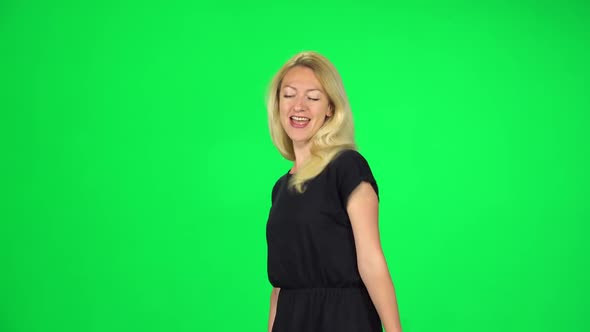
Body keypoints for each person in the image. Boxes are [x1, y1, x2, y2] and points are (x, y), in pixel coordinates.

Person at [265, 51, 403, 332]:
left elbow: (371, 260)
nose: (299, 106)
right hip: (292, 320)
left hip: (343, 319)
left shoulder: (348, 167)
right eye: (289, 95)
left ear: (330, 108)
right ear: (277, 103)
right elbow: (280, 287)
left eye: (313, 98)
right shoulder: (280, 189)